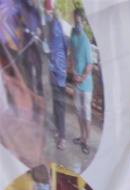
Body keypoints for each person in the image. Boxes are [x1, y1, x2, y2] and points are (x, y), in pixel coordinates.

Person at [70, 8, 93, 155]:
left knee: (86, 113)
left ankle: (87, 140)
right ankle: (82, 135)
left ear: (82, 22)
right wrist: (73, 70)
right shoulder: (73, 36)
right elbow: (72, 54)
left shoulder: (85, 40)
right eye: (75, 19)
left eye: (79, 20)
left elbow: (89, 64)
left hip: (85, 84)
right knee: (78, 111)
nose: (77, 22)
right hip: (76, 81)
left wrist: (82, 77)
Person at [45, 0, 67, 151]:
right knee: (55, 103)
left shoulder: (54, 26)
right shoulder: (53, 24)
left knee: (59, 105)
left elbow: (55, 48)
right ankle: (58, 133)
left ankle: (62, 137)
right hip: (54, 71)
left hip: (58, 72)